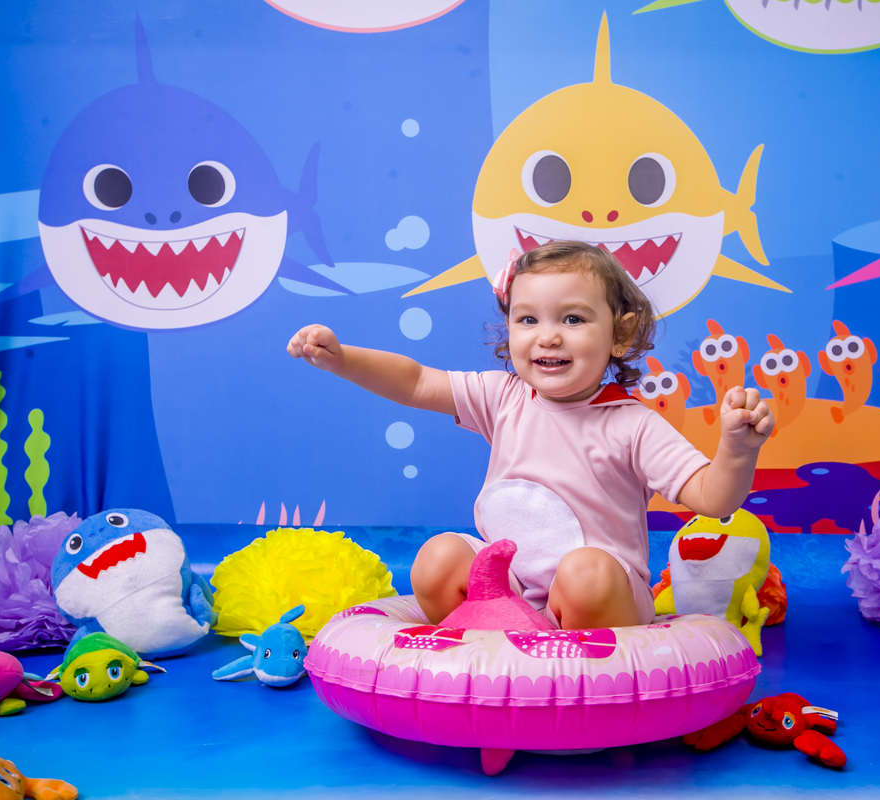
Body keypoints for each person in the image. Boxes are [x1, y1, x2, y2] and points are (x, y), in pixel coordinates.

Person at [287, 241, 774, 630]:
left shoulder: (632, 424)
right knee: (437, 559)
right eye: (527, 319)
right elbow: (415, 382)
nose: (548, 335)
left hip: (603, 598)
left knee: (586, 574)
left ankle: (569, 664)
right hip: (508, 592)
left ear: (621, 335)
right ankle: (484, 641)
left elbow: (713, 498)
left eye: (573, 319)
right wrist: (343, 360)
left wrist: (737, 448)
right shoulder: (504, 397)